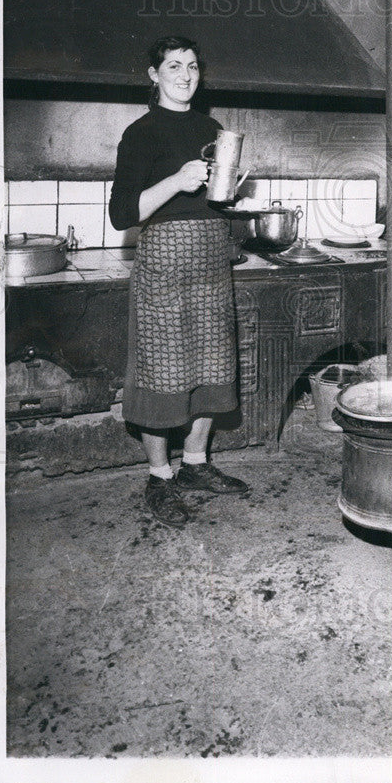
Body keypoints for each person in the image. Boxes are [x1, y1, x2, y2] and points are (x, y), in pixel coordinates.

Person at [109, 36, 249, 527]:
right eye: (174, 66)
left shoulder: (211, 128)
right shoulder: (141, 133)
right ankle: (159, 475)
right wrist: (176, 180)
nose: (186, 75)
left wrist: (232, 189)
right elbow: (123, 214)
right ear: (154, 74)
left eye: (192, 66)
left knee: (213, 364)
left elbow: (215, 201)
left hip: (212, 260)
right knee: (162, 372)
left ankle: (195, 464)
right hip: (164, 264)